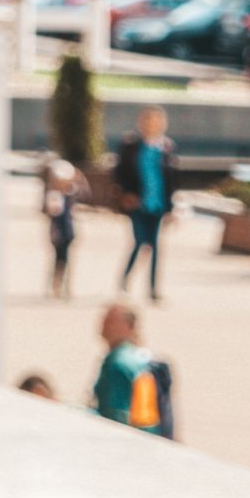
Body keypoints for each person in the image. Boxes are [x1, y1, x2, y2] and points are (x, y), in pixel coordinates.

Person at [113, 106, 176, 303]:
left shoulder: (166, 147)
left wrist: (172, 209)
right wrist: (126, 193)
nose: (152, 124)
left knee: (156, 247)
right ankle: (124, 281)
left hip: (157, 204)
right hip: (138, 204)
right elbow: (119, 173)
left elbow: (172, 180)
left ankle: (152, 289)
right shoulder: (131, 145)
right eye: (148, 120)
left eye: (156, 120)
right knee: (140, 241)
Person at [91, 305, 176, 439]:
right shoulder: (138, 357)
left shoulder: (118, 363)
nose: (104, 326)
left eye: (110, 321)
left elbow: (116, 415)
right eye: (103, 320)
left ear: (128, 327)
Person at [41, 157, 79, 299]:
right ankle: (55, 285)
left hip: (68, 232)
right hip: (58, 233)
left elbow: (83, 190)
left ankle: (67, 287)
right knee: (58, 261)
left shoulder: (70, 193)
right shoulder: (54, 196)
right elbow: (53, 211)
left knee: (67, 260)